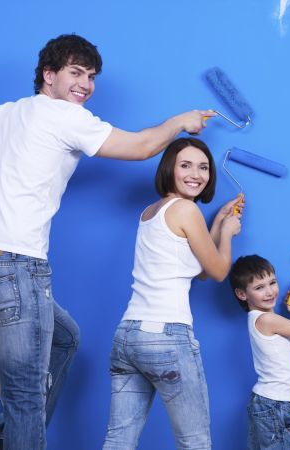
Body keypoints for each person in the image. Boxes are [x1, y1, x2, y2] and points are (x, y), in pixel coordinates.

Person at [0, 34, 215, 450]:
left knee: (66, 338)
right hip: (17, 268)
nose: (85, 84)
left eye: (91, 76)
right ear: (49, 75)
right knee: (25, 397)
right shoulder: (66, 117)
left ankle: (17, 441)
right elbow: (139, 147)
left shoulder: (10, 113)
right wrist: (180, 122)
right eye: (75, 73)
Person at [102, 137, 243, 450]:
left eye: (203, 167)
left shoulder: (151, 211)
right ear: (170, 169)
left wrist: (219, 223)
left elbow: (201, 270)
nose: (196, 173)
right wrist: (230, 235)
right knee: (195, 442)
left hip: (128, 335)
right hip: (166, 336)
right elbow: (219, 272)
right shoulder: (186, 210)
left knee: (118, 440)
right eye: (186, 165)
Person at [228, 255, 290, 450]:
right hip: (275, 406)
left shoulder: (267, 320)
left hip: (273, 404)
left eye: (272, 282)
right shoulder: (266, 320)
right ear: (242, 294)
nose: (270, 291)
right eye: (259, 287)